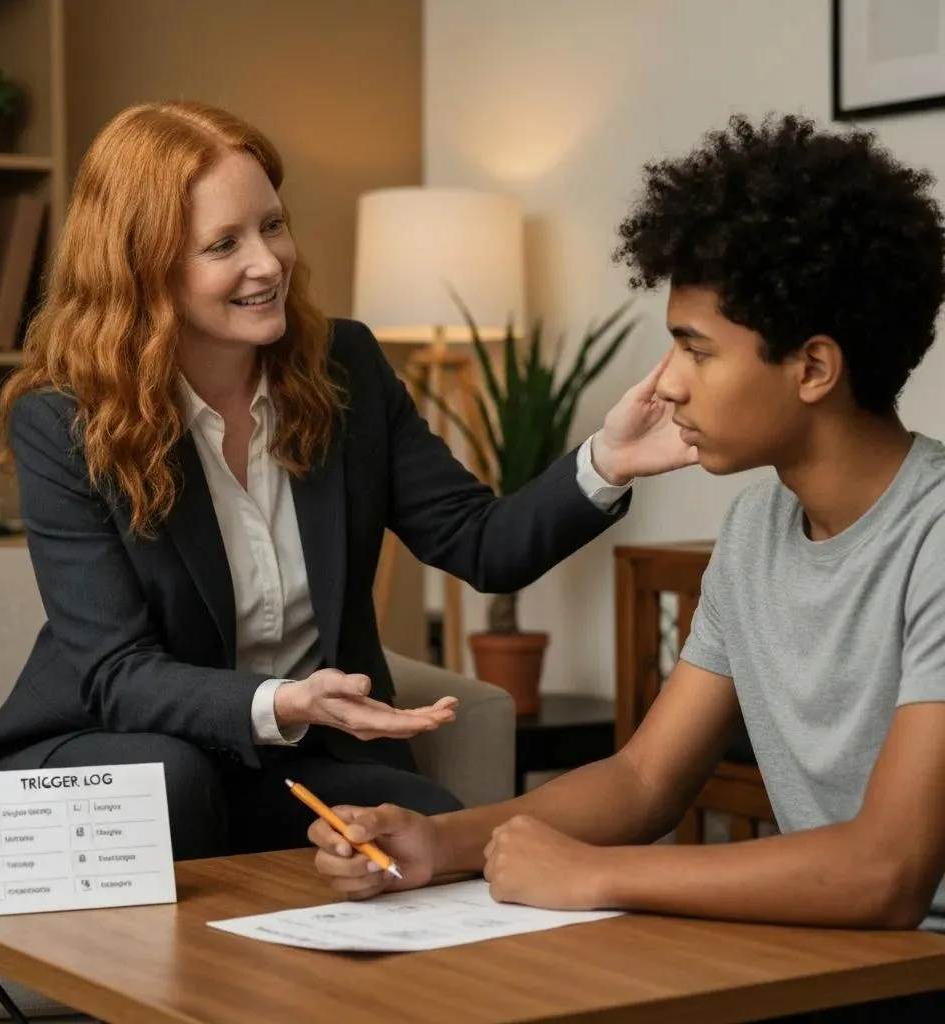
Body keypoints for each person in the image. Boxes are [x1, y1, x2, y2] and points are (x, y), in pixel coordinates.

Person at [308, 114, 945, 1019]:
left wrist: (596, 875)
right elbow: (645, 779)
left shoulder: (938, 537)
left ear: (812, 368)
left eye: (696, 347)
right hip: (829, 964)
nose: (670, 383)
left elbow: (887, 873)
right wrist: (435, 844)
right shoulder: (759, 528)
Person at [0, 100, 697, 862]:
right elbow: (116, 673)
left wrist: (608, 461)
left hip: (287, 762)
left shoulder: (347, 368)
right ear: (144, 270)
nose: (269, 263)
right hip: (104, 750)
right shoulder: (65, 420)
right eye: (224, 244)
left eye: (272, 225)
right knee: (174, 785)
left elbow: (481, 544)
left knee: (424, 827)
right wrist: (283, 700)